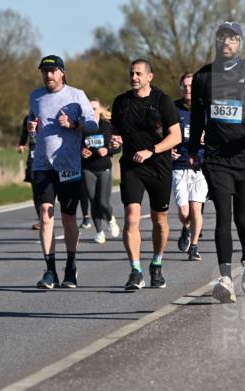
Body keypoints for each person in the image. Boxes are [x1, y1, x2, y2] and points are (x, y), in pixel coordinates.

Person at [189, 21, 245, 303]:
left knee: (242, 218)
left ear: (240, 43)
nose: (227, 43)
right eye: (222, 38)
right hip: (216, 157)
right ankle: (225, 277)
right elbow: (196, 117)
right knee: (223, 217)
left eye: (233, 39)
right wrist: (193, 149)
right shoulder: (204, 77)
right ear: (216, 42)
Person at [110, 59, 181, 290]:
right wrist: (114, 140)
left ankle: (156, 263)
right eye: (131, 73)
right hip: (132, 167)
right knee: (131, 218)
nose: (134, 77)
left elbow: (176, 137)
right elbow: (115, 133)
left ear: (149, 77)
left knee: (159, 221)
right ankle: (135, 270)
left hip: (159, 167)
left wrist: (152, 150)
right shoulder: (121, 102)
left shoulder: (163, 101)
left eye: (139, 73)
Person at [28, 54, 97, 289]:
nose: (48, 75)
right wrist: (31, 127)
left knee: (68, 217)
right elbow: (34, 123)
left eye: (52, 71)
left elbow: (92, 124)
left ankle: (70, 266)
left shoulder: (77, 95)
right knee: (46, 215)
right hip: (42, 165)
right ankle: (49, 270)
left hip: (68, 165)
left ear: (62, 73)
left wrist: (73, 125)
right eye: (44, 72)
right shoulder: (36, 96)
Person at [172, 72, 207, 261]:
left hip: (199, 166)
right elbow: (163, 133)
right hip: (179, 165)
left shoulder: (204, 108)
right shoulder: (174, 109)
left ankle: (194, 246)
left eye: (191, 86)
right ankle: (185, 227)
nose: (188, 89)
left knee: (196, 209)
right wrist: (168, 149)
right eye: (185, 86)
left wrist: (207, 139)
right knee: (185, 212)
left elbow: (217, 132)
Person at [81, 98, 121, 244]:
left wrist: (108, 150)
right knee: (93, 201)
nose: (92, 111)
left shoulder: (107, 126)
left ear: (100, 110)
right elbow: (77, 146)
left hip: (104, 168)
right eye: (89, 108)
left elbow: (118, 147)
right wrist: (82, 151)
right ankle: (99, 232)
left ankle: (110, 219)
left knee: (103, 202)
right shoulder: (83, 128)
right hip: (87, 168)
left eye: (94, 108)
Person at [17, 114, 40, 230]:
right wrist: (22, 144)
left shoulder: (51, 113)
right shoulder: (28, 117)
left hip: (48, 152)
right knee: (34, 183)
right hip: (34, 152)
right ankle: (41, 218)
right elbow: (24, 132)